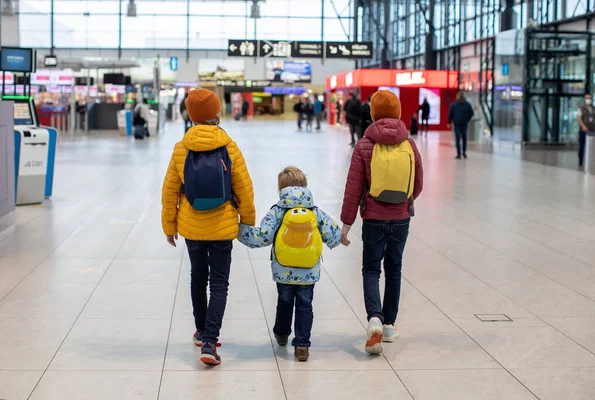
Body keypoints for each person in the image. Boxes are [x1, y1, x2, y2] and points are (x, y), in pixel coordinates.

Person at [161, 88, 256, 366]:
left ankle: (201, 331)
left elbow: (169, 192)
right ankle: (210, 342)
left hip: (191, 227)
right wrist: (246, 222)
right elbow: (244, 189)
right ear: (217, 114)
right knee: (219, 283)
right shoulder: (229, 146)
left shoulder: (181, 148)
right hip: (222, 225)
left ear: (190, 117)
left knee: (197, 277)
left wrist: (169, 226)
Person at [340, 90, 423, 355]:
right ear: (398, 112)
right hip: (400, 219)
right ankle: (389, 325)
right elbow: (418, 184)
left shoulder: (365, 144)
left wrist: (346, 224)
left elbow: (353, 188)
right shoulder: (409, 144)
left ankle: (374, 317)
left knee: (371, 269)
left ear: (373, 113)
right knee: (394, 268)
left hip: (373, 218)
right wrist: (405, 202)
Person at [238, 167, 341, 362]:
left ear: (281, 188)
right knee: (305, 304)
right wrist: (340, 238)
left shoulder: (277, 211)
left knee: (284, 301)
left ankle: (282, 332)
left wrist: (239, 231)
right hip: (308, 270)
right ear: (305, 186)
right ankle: (302, 344)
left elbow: (263, 236)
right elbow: (332, 235)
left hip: (283, 270)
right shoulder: (315, 211)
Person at [448, 91, 475, 159]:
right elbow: (471, 113)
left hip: (457, 124)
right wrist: (467, 119)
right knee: (464, 138)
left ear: (458, 96)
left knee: (457, 139)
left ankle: (459, 154)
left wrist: (449, 122)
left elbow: (450, 114)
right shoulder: (467, 104)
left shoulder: (454, 104)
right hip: (464, 124)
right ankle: (464, 152)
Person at [577, 93, 595, 167]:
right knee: (582, 146)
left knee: (593, 146)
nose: (588, 100)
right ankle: (580, 161)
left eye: (590, 98)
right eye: (587, 98)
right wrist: (583, 126)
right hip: (583, 130)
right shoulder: (581, 108)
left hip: (592, 130)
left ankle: (592, 161)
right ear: (585, 99)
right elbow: (579, 118)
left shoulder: (594, 108)